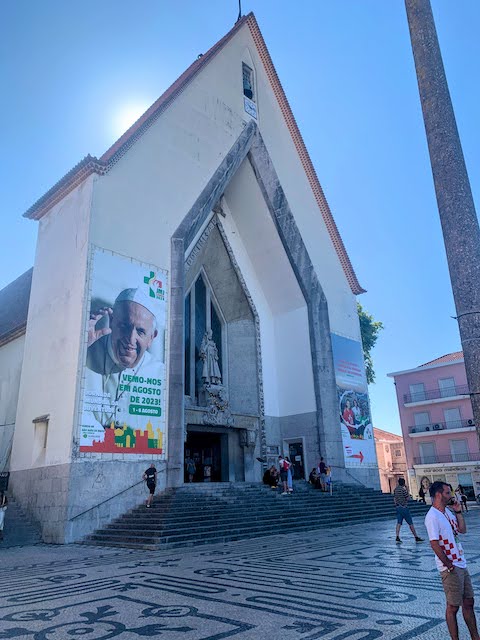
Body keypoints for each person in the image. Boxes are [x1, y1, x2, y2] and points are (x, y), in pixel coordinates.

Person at [83, 288, 163, 440]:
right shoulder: (86, 350)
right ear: (112, 321)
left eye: (140, 332)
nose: (130, 339)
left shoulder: (160, 374)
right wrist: (77, 351)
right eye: (124, 326)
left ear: (152, 337)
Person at [425, 481, 480, 640]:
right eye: (447, 493)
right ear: (438, 495)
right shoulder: (432, 517)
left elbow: (462, 530)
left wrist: (458, 512)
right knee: (453, 606)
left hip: (460, 562)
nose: (451, 496)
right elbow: (434, 543)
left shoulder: (447, 512)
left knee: (469, 602)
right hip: (450, 566)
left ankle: (475, 637)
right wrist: (448, 565)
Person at [394, 478, 424, 543]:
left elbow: (395, 498)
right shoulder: (403, 490)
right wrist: (407, 490)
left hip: (398, 507)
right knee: (410, 523)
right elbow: (408, 498)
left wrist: (396, 505)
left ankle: (397, 536)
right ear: (404, 483)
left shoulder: (395, 490)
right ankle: (416, 536)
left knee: (399, 522)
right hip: (404, 507)